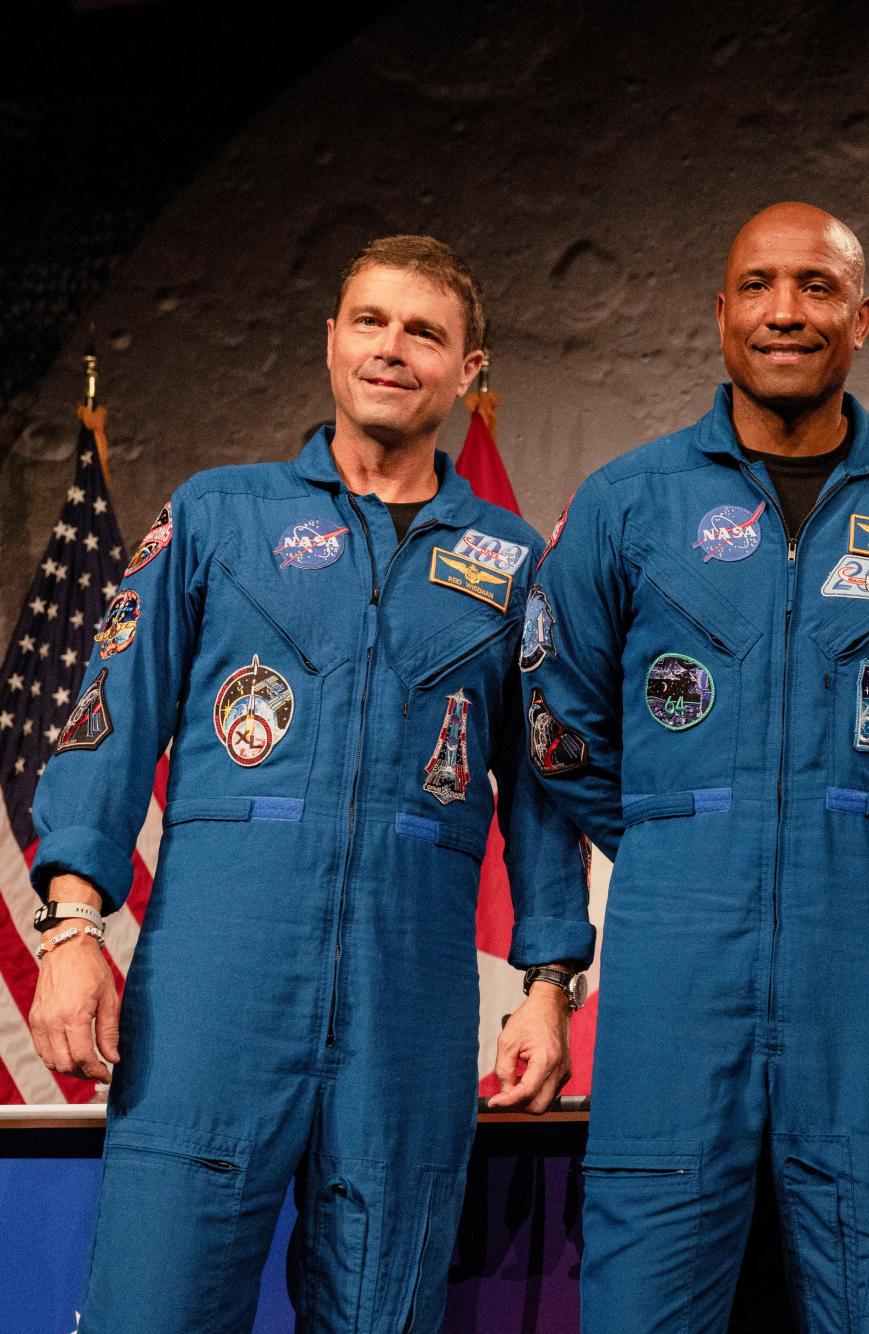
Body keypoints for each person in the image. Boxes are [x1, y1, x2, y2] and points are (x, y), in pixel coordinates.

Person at [28, 235, 596, 1331]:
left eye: (425, 331)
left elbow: (545, 793)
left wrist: (546, 979)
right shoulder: (215, 518)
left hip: (410, 1008)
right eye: (371, 321)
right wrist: (69, 929)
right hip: (214, 1000)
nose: (394, 348)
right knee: (154, 1310)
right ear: (331, 340)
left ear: (468, 370)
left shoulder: (515, 563)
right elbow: (104, 725)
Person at [527, 202, 869, 1331]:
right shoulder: (626, 505)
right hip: (672, 959)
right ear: (720, 313)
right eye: (758, 285)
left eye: (815, 286)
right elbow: (561, 724)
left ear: (862, 317)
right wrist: (678, 831)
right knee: (645, 1295)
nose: (785, 311)